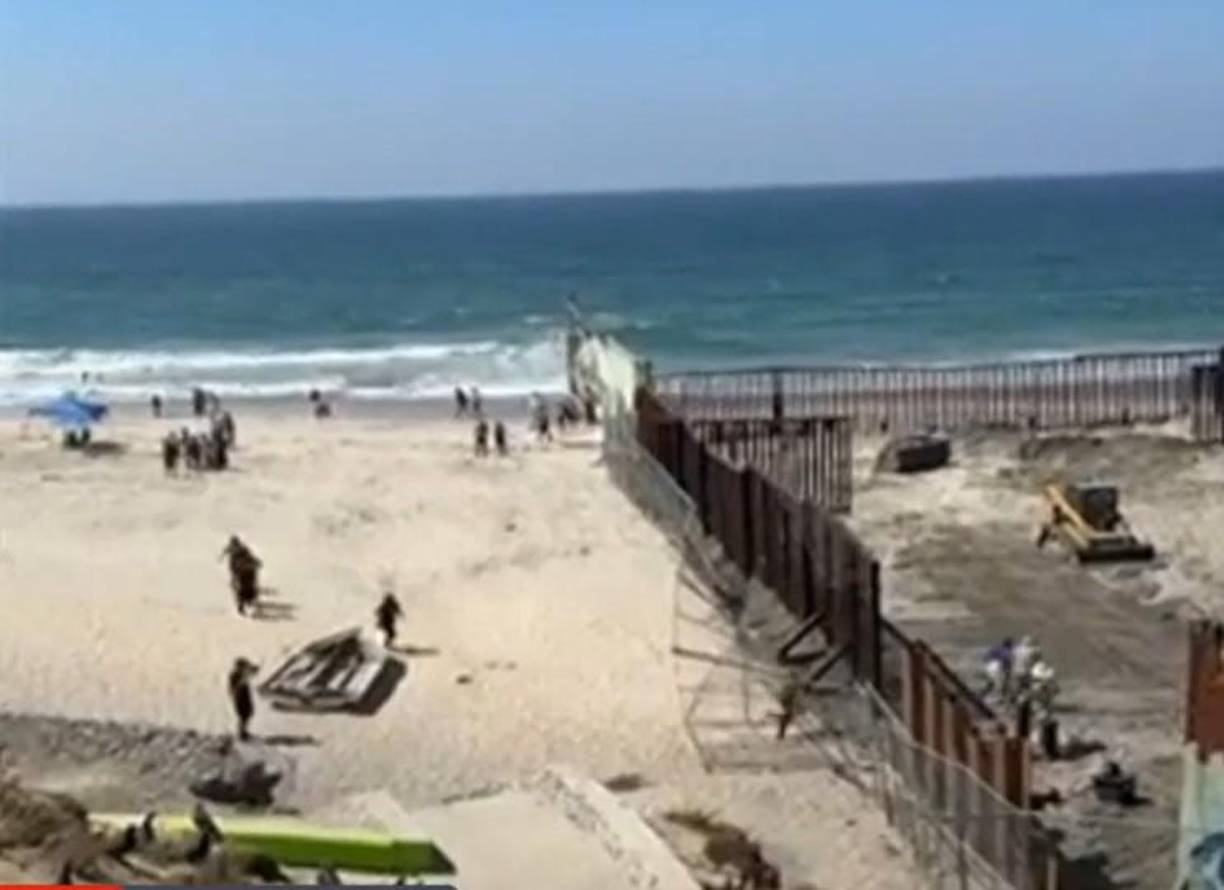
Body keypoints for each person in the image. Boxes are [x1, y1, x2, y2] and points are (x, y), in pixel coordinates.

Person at [221, 536, 261, 616]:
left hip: (246, 574)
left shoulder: (244, 551)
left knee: (246, 590)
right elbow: (226, 552)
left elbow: (254, 561)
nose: (234, 547)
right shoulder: (234, 550)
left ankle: (247, 604)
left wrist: (255, 565)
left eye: (235, 545)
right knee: (241, 590)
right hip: (240, 572)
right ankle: (242, 605)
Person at [227, 658, 258, 741]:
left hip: (245, 697)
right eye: (244, 667)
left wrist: (254, 669)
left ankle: (244, 732)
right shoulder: (235, 675)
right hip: (239, 698)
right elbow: (235, 687)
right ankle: (241, 733)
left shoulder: (242, 673)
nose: (245, 668)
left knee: (247, 714)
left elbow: (253, 671)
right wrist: (242, 680)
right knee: (243, 716)